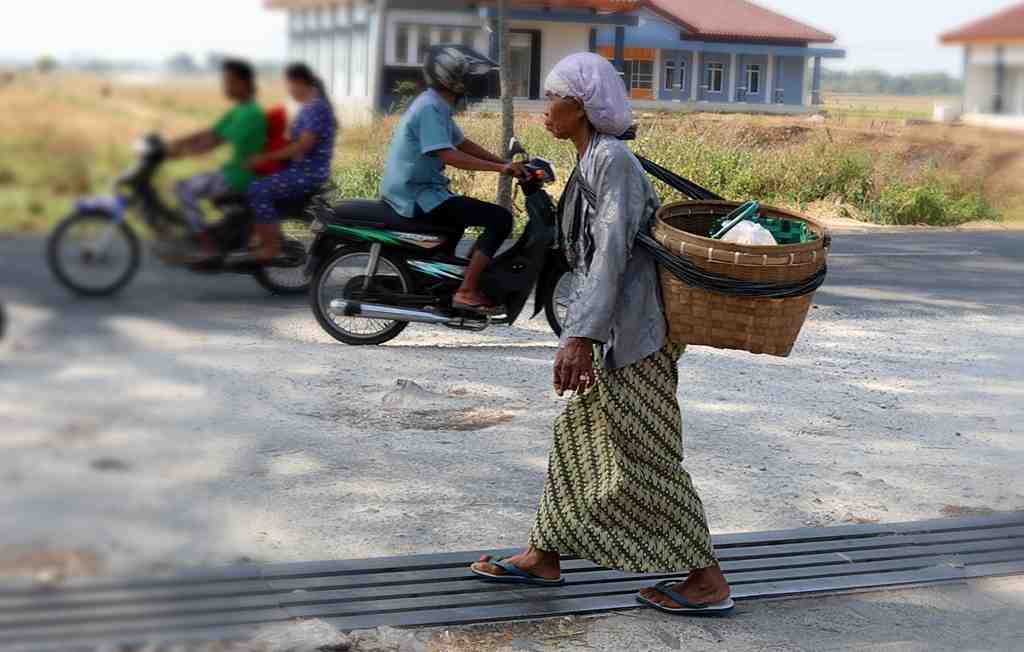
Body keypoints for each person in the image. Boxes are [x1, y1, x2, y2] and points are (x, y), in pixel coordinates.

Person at [469, 53, 734, 616]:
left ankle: (707, 579)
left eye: (555, 97)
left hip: (634, 335)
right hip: (611, 332)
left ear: (583, 105)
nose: (546, 109)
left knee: (646, 452)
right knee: (575, 443)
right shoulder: (591, 158)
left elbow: (612, 253)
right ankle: (544, 556)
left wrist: (580, 337)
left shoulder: (611, 160)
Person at [380, 45, 526, 314]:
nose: (472, 81)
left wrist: (504, 162)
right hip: (415, 196)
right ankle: (467, 290)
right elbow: (450, 155)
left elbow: (463, 143)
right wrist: (501, 170)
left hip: (423, 191)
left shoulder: (435, 105)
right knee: (500, 219)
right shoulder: (430, 108)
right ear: (451, 79)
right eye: (466, 76)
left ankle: (449, 282)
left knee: (459, 222)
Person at [229, 63, 337, 264]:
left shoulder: (316, 108)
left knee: (257, 189)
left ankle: (270, 246)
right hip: (300, 170)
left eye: (289, 84)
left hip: (307, 174)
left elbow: (302, 145)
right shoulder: (311, 107)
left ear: (300, 83)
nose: (288, 90)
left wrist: (266, 158)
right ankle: (253, 237)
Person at [169, 59, 267, 244]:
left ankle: (203, 240)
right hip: (232, 172)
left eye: (230, 82)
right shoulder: (241, 109)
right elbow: (210, 132)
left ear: (244, 84)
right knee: (189, 184)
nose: (225, 87)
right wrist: (174, 143)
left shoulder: (251, 114)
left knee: (184, 187)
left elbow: (214, 141)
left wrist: (178, 153)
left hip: (240, 176)